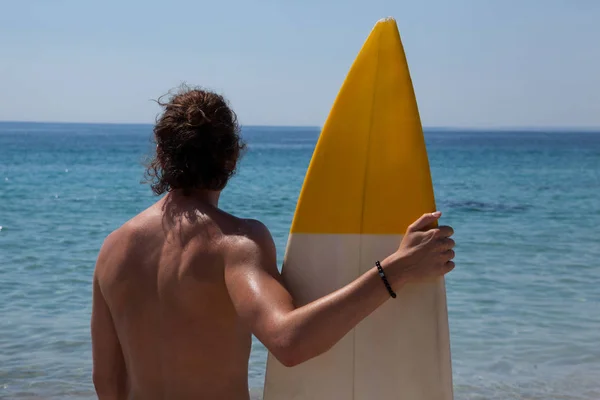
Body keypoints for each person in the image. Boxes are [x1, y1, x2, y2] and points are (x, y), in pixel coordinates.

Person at [90, 85, 456, 400]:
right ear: (232, 155)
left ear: (162, 153)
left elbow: (106, 382)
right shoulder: (234, 243)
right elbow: (289, 341)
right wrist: (396, 269)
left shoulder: (113, 250)